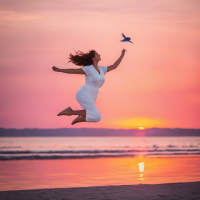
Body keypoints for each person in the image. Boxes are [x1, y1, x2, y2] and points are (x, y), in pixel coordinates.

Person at [52, 49, 126, 125]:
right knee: (95, 114)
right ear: (93, 58)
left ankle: (80, 118)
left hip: (93, 95)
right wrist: (59, 70)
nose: (99, 55)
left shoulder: (101, 69)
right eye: (97, 54)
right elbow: (73, 71)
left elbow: (114, 66)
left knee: (97, 118)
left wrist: (122, 54)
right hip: (84, 93)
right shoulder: (89, 69)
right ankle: (70, 111)